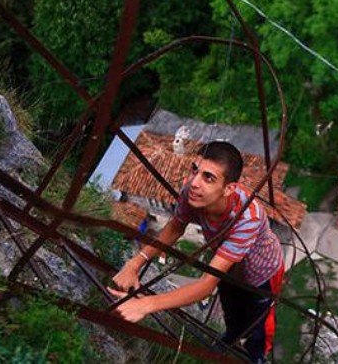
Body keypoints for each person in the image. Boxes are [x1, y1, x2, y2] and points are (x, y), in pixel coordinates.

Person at [108, 141, 284, 363]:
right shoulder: (193, 194)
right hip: (228, 266)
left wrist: (144, 305)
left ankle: (257, 357)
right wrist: (135, 263)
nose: (194, 183)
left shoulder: (247, 218)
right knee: (230, 304)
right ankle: (229, 337)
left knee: (257, 318)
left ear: (229, 188)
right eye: (195, 170)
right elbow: (175, 226)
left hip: (262, 271)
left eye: (208, 177)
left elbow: (205, 285)